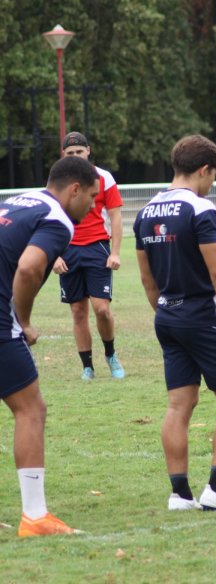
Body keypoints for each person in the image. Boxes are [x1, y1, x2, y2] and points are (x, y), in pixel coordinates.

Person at [134, 135, 216, 511]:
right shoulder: (200, 209)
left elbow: (147, 279)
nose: (211, 185)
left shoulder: (144, 212)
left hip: (167, 316)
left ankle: (179, 495)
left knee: (178, 406)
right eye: (212, 177)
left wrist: (167, 312)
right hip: (203, 315)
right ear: (204, 170)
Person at [1, 156, 99, 536]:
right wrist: (21, 321)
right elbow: (27, 268)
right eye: (91, 197)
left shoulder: (17, 200)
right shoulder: (57, 218)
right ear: (74, 189)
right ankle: (36, 516)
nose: (92, 206)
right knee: (31, 409)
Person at [56, 131, 125, 380]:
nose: (75, 156)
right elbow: (49, 219)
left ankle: (111, 354)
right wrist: (54, 256)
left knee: (102, 309)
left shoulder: (103, 178)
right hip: (67, 250)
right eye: (70, 153)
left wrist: (115, 252)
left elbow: (116, 217)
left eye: (79, 151)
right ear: (64, 155)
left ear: (88, 151)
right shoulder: (58, 180)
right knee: (77, 310)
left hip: (97, 247)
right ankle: (87, 366)